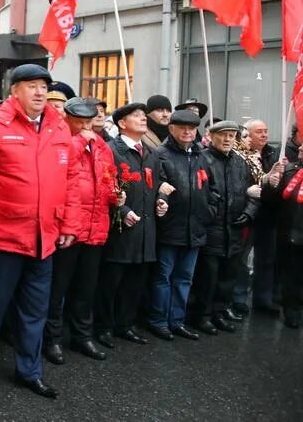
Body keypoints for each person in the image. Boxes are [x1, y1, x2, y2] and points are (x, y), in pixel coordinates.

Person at [0, 64, 80, 399]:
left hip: (45, 237)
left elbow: (70, 180)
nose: (40, 92)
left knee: (35, 311)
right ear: (14, 91)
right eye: (31, 86)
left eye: (44, 86)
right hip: (2, 235)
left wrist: (68, 223)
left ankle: (29, 370)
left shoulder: (59, 127)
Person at [44, 98, 119, 365]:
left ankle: (82, 335)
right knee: (58, 287)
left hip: (95, 226)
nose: (87, 127)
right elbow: (60, 173)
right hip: (68, 227)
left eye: (90, 122)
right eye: (80, 122)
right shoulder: (63, 141)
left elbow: (109, 177)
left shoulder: (101, 146)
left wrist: (115, 195)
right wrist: (80, 141)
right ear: (68, 119)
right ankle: (51, 338)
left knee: (86, 287)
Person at [95, 103, 165, 349]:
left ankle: (125, 324)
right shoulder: (112, 150)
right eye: (136, 116)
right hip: (120, 228)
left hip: (146, 228)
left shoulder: (150, 153)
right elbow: (104, 186)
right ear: (122, 123)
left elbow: (157, 184)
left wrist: (161, 200)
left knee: (135, 282)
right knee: (111, 282)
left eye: (144, 116)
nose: (143, 119)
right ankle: (102, 327)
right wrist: (122, 210)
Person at [148, 110, 216, 342]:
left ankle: (177, 321)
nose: (187, 132)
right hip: (170, 227)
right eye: (182, 127)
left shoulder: (202, 156)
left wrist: (209, 211)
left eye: (192, 128)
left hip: (195, 228)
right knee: (163, 277)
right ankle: (158, 321)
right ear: (171, 129)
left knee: (185, 278)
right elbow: (156, 186)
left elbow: (212, 190)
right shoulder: (160, 154)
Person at [190, 121, 259, 335]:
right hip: (213, 230)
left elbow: (253, 192)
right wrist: (212, 214)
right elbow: (199, 194)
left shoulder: (240, 162)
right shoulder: (202, 159)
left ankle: (219, 312)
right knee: (208, 277)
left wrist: (248, 213)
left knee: (228, 276)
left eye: (232, 135)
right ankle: (202, 315)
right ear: (211, 136)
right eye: (224, 135)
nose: (228, 139)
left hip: (236, 229)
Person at [232, 118, 281, 316]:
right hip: (248, 214)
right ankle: (239, 299)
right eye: (259, 131)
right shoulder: (240, 155)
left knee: (267, 259)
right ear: (248, 135)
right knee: (242, 260)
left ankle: (263, 300)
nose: (264, 135)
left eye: (266, 131)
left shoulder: (273, 153)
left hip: (268, 214)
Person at [262, 145, 303, 328]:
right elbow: (271, 200)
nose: (300, 147)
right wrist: (272, 184)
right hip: (290, 231)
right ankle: (292, 312)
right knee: (292, 274)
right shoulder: (289, 170)